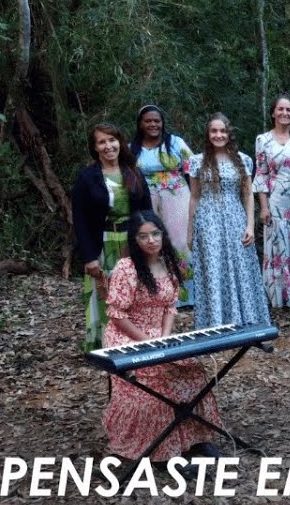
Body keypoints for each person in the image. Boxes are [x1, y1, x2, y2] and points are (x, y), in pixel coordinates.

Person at [102, 211, 223, 462]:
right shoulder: (126, 268)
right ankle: (163, 451)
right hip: (126, 338)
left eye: (155, 234)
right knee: (158, 380)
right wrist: (147, 341)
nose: (151, 240)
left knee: (192, 372)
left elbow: (169, 307)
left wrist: (164, 339)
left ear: (162, 235)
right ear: (134, 240)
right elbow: (117, 315)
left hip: (158, 335)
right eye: (143, 236)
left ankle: (195, 437)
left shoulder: (168, 263)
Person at [72, 123, 153, 351]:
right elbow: (80, 220)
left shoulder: (133, 172)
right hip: (104, 243)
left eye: (112, 140)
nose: (108, 146)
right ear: (94, 147)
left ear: (120, 142)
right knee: (106, 294)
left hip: (133, 242)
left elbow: (147, 212)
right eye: (102, 142)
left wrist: (151, 244)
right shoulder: (87, 177)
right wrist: (89, 257)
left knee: (136, 291)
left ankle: (139, 342)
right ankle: (108, 345)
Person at [187, 113, 270, 329]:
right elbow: (194, 197)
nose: (218, 135)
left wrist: (250, 225)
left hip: (235, 220)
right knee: (213, 270)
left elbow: (247, 195)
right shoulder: (196, 161)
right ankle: (215, 324)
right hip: (207, 222)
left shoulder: (242, 160)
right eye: (214, 131)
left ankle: (246, 323)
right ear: (208, 134)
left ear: (229, 133)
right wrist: (190, 232)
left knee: (241, 268)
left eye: (222, 131)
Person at [253, 94, 290, 309]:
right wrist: (264, 207)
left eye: (288, 109)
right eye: (280, 109)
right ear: (273, 113)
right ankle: (279, 296)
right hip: (276, 200)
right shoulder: (263, 140)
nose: (285, 113)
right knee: (278, 245)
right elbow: (261, 174)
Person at [131, 105, 194, 304]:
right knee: (153, 242)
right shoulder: (132, 147)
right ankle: (159, 293)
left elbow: (193, 170)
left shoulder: (175, 143)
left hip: (177, 195)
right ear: (140, 124)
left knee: (180, 241)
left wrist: (196, 198)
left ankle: (187, 296)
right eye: (148, 121)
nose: (153, 124)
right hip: (146, 197)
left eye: (156, 121)